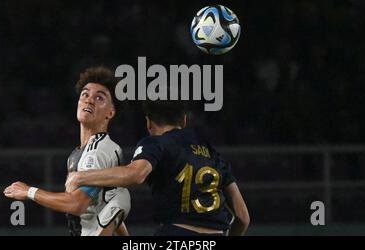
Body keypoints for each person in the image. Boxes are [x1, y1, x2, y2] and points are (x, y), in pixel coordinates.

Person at [66, 97, 250, 236]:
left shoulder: (156, 143)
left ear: (149, 123)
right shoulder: (212, 152)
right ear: (184, 120)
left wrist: (81, 177)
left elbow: (136, 174)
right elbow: (242, 217)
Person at [4, 66, 131, 236]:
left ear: (110, 112)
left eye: (99, 98)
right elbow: (109, 209)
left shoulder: (96, 151)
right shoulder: (79, 153)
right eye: (85, 95)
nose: (89, 100)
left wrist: (29, 192)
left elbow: (76, 204)